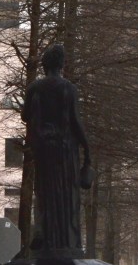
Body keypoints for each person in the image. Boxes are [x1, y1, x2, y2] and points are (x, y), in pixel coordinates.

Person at [22, 43, 91, 252]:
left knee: (44, 191)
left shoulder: (34, 88)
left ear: (45, 64)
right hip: (65, 150)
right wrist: (87, 149)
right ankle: (65, 240)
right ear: (61, 64)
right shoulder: (68, 88)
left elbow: (25, 115)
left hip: (43, 149)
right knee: (65, 195)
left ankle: (44, 233)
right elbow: (75, 122)